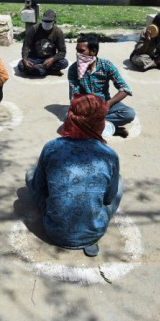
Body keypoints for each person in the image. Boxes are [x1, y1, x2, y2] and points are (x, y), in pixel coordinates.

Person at [26, 94, 122, 257]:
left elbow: (39, 187)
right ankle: (89, 238)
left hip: (54, 230)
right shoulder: (110, 155)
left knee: (30, 173)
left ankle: (64, 220)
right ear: (100, 123)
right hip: (95, 231)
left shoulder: (51, 147)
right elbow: (108, 199)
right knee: (118, 182)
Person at [68, 34, 135, 137]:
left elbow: (125, 89)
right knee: (68, 119)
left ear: (93, 51)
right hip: (85, 108)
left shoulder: (106, 65)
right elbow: (73, 96)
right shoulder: (73, 69)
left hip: (104, 103)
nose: (78, 54)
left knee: (129, 113)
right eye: (77, 51)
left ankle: (92, 127)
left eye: (81, 51)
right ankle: (112, 129)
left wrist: (108, 105)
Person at [17, 9, 69, 77]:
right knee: (21, 66)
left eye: (49, 21)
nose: (46, 23)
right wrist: (25, 59)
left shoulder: (58, 32)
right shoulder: (34, 29)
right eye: (45, 21)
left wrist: (53, 59)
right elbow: (26, 46)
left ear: (54, 22)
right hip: (34, 58)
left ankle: (40, 71)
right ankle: (47, 71)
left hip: (49, 59)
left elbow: (62, 52)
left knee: (64, 63)